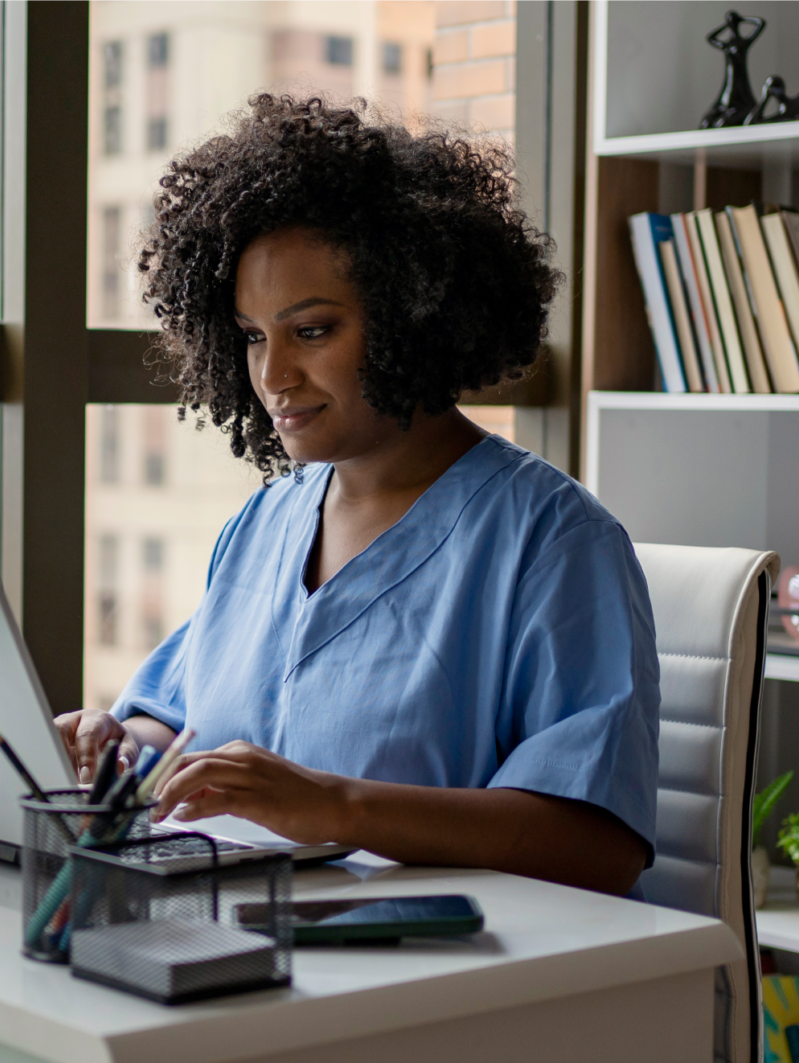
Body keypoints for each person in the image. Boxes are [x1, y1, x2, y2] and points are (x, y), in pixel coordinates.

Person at [56, 96, 658, 896]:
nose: (272, 376)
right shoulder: (264, 523)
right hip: (239, 943)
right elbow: (175, 714)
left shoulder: (552, 541)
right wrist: (119, 744)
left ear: (416, 316)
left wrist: (335, 804)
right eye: (251, 336)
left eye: (311, 331)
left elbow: (600, 842)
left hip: (429, 982)